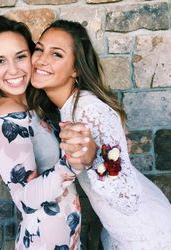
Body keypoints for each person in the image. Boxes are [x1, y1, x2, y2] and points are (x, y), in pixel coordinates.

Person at [30, 19, 171, 250]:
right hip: (120, 230)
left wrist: (93, 156)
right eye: (39, 49)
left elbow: (128, 198)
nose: (41, 60)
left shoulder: (89, 109)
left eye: (56, 54)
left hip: (146, 234)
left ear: (75, 68)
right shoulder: (66, 107)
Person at [0, 16, 82, 250]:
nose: (14, 70)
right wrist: (75, 161)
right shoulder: (7, 114)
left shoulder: (28, 102)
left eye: (20, 56)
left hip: (64, 238)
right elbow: (26, 199)